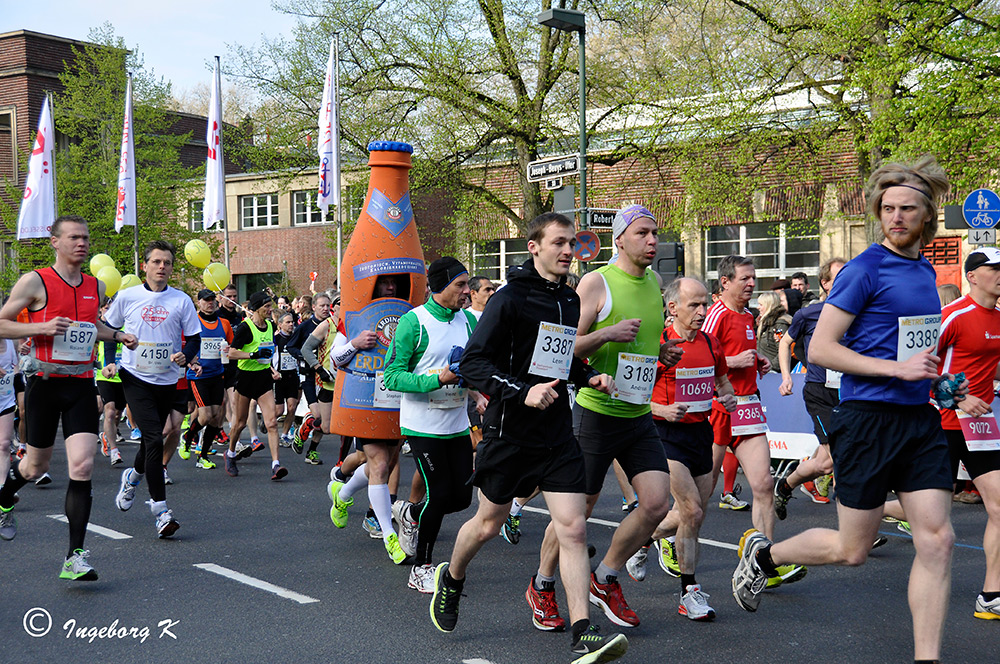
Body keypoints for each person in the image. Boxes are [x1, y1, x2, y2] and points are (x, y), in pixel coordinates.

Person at [732, 157, 957, 663]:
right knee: (853, 549)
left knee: (938, 540)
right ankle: (764, 552)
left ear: (928, 216)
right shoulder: (864, 269)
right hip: (866, 419)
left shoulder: (924, 270)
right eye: (888, 208)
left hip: (918, 421)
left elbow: (909, 346)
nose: (896, 217)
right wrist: (896, 371)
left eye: (908, 209)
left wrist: (939, 382)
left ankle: (928, 657)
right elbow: (823, 350)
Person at [428, 212, 628, 664]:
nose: (566, 250)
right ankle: (453, 578)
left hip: (555, 433)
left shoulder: (571, 301)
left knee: (573, 528)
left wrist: (588, 375)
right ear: (534, 247)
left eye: (572, 243)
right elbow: (474, 363)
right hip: (509, 432)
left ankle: (582, 632)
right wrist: (523, 391)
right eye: (558, 242)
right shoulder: (509, 299)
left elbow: (557, 357)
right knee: (487, 524)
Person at [533, 204, 671, 630]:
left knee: (655, 504)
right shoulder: (597, 283)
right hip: (595, 414)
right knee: (577, 512)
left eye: (655, 233)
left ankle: (607, 575)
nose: (653, 241)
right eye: (644, 233)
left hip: (638, 412)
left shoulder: (655, 282)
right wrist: (607, 334)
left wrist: (660, 353)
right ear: (620, 239)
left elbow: (643, 343)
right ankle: (542, 585)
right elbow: (561, 348)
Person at [0, 216, 136, 579]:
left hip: (79, 384)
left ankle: (75, 557)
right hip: (44, 383)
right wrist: (39, 326)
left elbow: (92, 327)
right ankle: (4, 497)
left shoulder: (95, 285)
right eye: (74, 237)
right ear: (54, 242)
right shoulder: (36, 281)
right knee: (34, 467)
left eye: (86, 238)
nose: (82, 243)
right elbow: (2, 322)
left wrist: (117, 335)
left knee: (83, 467)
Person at [383, 257, 484, 593]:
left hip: (456, 422)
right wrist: (435, 379)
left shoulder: (467, 320)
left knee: (462, 498)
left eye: (468, 284)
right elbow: (393, 376)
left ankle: (411, 515)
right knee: (439, 493)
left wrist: (478, 393)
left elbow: (469, 366)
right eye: (460, 285)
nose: (466, 291)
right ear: (439, 286)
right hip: (422, 424)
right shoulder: (415, 322)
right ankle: (421, 567)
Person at [704, 254, 806, 585]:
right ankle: (650, 539)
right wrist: (733, 361)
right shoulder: (716, 314)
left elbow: (744, 353)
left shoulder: (749, 316)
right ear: (725, 282)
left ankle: (765, 560)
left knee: (763, 486)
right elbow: (699, 357)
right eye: (744, 278)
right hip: (718, 408)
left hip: (748, 409)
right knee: (698, 497)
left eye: (753, 278)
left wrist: (758, 361)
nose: (751, 283)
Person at [641, 277, 736, 621]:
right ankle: (689, 592)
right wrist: (662, 410)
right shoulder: (659, 344)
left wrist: (727, 396)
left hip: (700, 433)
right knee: (692, 511)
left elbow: (722, 381)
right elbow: (631, 393)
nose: (702, 311)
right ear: (672, 308)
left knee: (692, 516)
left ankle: (643, 537)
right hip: (664, 433)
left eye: (704, 304)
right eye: (694, 305)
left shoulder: (711, 343)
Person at [107, 240, 202, 539]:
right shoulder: (127, 296)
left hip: (167, 378)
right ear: (144, 266)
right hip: (134, 376)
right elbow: (108, 331)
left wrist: (186, 353)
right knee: (153, 437)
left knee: (155, 438)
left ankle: (132, 477)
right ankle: (160, 510)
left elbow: (195, 337)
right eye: (157, 262)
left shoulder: (181, 300)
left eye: (167, 263)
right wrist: (110, 360)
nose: (162, 267)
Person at [327, 275, 409, 564]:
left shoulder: (406, 314)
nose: (391, 287)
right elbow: (334, 359)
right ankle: (389, 534)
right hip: (365, 400)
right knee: (380, 464)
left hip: (396, 401)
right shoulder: (353, 317)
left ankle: (344, 493)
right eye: (385, 283)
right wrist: (356, 343)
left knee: (386, 462)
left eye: (393, 283)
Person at [775, 258, 847, 513]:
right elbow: (785, 343)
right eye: (840, 276)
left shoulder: (859, 314)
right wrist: (786, 377)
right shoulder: (808, 314)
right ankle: (857, 525)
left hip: (849, 391)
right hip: (820, 391)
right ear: (825, 283)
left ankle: (786, 484)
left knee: (825, 463)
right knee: (841, 456)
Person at [224, 291, 286, 480]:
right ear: (257, 308)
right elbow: (232, 353)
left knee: (272, 423)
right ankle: (231, 453)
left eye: (270, 306)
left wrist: (272, 368)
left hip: (263, 379)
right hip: (245, 379)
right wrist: (252, 355)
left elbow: (268, 352)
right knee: (240, 423)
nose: (270, 310)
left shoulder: (270, 325)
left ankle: (276, 465)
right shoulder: (245, 327)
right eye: (266, 306)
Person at [179, 289, 234, 469]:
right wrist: (190, 362)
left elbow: (230, 346)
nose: (210, 303)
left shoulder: (224, 323)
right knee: (206, 415)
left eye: (212, 300)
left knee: (217, 417)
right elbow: (184, 346)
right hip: (198, 376)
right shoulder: (192, 322)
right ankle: (187, 437)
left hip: (217, 373)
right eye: (206, 300)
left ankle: (203, 455)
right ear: (199, 303)